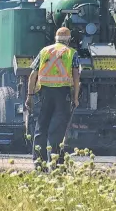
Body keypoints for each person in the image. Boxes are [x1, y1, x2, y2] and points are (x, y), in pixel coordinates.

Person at [25, 27, 80, 168]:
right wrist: (75, 98)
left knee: (41, 126)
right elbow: (76, 77)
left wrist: (29, 96)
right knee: (57, 128)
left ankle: (39, 163)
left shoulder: (44, 51)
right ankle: (55, 163)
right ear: (68, 39)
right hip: (62, 94)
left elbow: (32, 75)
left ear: (55, 38)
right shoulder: (71, 53)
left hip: (44, 93)